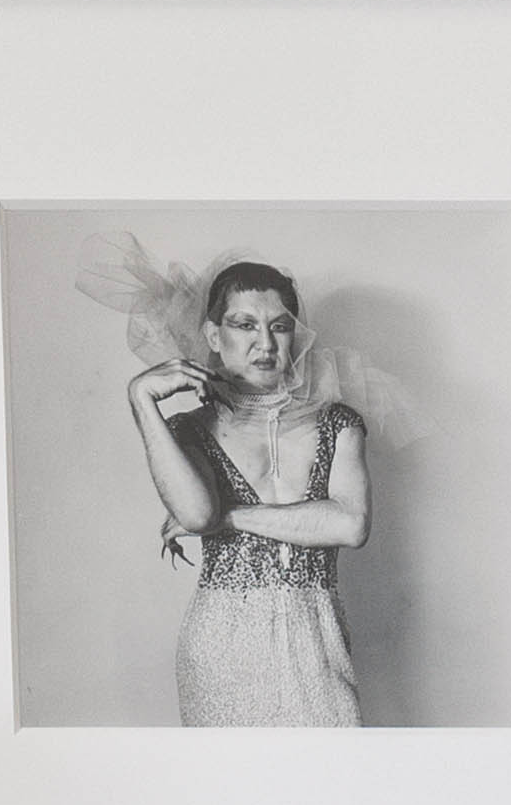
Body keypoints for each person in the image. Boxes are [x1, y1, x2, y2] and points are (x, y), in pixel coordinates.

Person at [126, 261, 367, 730]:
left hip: (318, 642)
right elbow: (197, 515)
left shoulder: (339, 421)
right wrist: (141, 399)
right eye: (244, 325)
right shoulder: (188, 430)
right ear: (214, 336)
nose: (265, 342)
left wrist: (230, 517)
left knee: (331, 790)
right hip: (222, 644)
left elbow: (350, 524)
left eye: (279, 327)